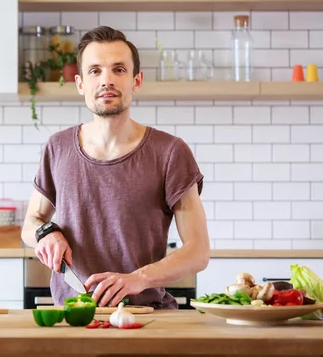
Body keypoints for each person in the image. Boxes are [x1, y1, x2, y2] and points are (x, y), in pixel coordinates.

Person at [20, 26, 210, 309]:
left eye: (118, 69)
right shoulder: (57, 148)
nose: (106, 80)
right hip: (73, 318)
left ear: (137, 80)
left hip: (146, 317)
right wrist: (45, 234)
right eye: (95, 71)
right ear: (80, 83)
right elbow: (30, 225)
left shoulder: (170, 152)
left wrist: (139, 278)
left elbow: (198, 252)